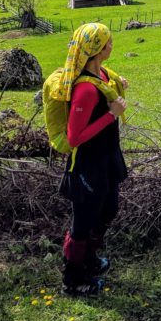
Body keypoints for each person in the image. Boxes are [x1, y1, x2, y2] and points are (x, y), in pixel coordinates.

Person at [43, 22, 128, 295]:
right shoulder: (86, 91)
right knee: (83, 223)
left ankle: (88, 260)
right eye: (108, 42)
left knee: (108, 210)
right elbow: (75, 138)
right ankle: (74, 278)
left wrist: (117, 86)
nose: (112, 45)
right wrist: (111, 114)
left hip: (106, 158)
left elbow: (108, 87)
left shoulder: (101, 75)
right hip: (88, 165)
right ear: (98, 50)